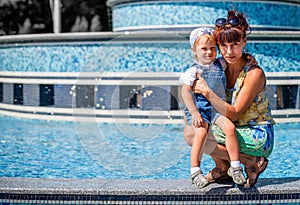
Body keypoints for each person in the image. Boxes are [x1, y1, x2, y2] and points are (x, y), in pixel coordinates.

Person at [184, 9, 275, 188]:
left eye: (234, 44)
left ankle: (248, 161)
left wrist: (207, 92)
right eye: (223, 46)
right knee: (195, 126)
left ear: (244, 42)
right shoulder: (220, 67)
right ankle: (225, 167)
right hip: (233, 128)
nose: (229, 51)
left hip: (257, 134)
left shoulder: (254, 74)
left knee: (192, 134)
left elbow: (232, 114)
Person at [179, 27, 246, 189]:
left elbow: (234, 57)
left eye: (212, 48)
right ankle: (195, 171)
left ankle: (235, 167)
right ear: (194, 50)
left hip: (216, 109)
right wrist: (194, 113)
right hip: (200, 110)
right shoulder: (192, 71)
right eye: (204, 49)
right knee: (201, 132)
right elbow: (185, 92)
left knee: (230, 128)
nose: (209, 52)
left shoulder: (220, 64)